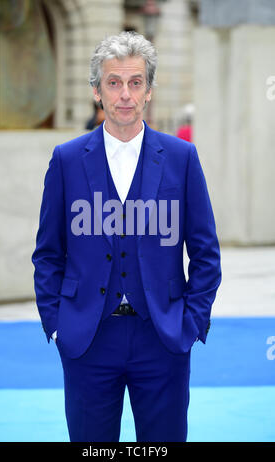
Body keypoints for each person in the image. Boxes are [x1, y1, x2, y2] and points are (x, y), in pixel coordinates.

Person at [32, 31, 221, 443]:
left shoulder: (181, 158)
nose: (125, 94)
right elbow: (48, 254)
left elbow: (206, 254)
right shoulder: (65, 161)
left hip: (163, 338)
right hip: (88, 339)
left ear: (149, 90)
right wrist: (58, 323)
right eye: (114, 82)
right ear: (97, 91)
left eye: (135, 82)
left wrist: (190, 324)